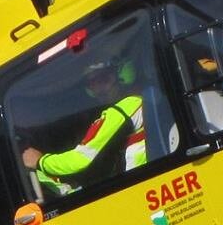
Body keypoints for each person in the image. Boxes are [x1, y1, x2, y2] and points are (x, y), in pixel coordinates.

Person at [21, 57, 146, 194]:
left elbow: (80, 160)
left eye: (103, 79)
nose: (99, 89)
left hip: (139, 188)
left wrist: (39, 161)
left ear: (123, 75)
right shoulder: (142, 101)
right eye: (92, 84)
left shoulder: (125, 109)